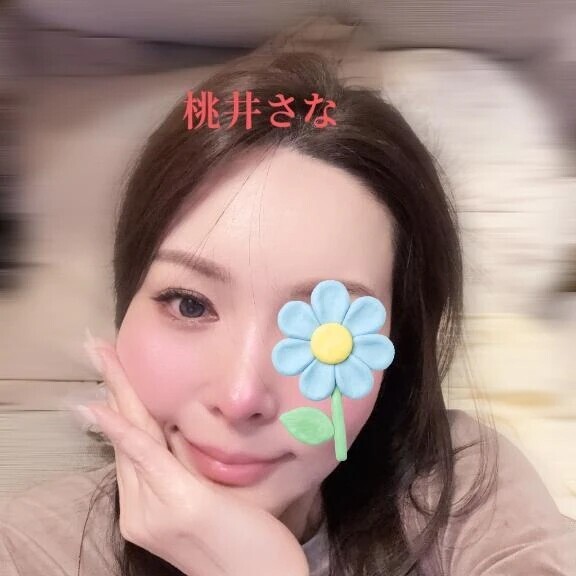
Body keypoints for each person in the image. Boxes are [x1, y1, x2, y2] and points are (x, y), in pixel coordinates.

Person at [1, 26, 575, 576]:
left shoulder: (463, 487)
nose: (240, 397)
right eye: (189, 304)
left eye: (329, 332)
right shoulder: (27, 550)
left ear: (395, 344)